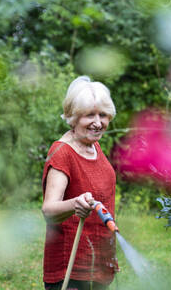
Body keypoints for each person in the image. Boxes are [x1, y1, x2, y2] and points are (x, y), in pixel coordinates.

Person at [41, 76, 118, 290]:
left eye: (103, 115)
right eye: (89, 115)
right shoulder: (62, 152)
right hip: (71, 269)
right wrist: (75, 204)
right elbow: (48, 210)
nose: (97, 122)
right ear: (73, 117)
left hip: (97, 262)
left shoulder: (94, 146)